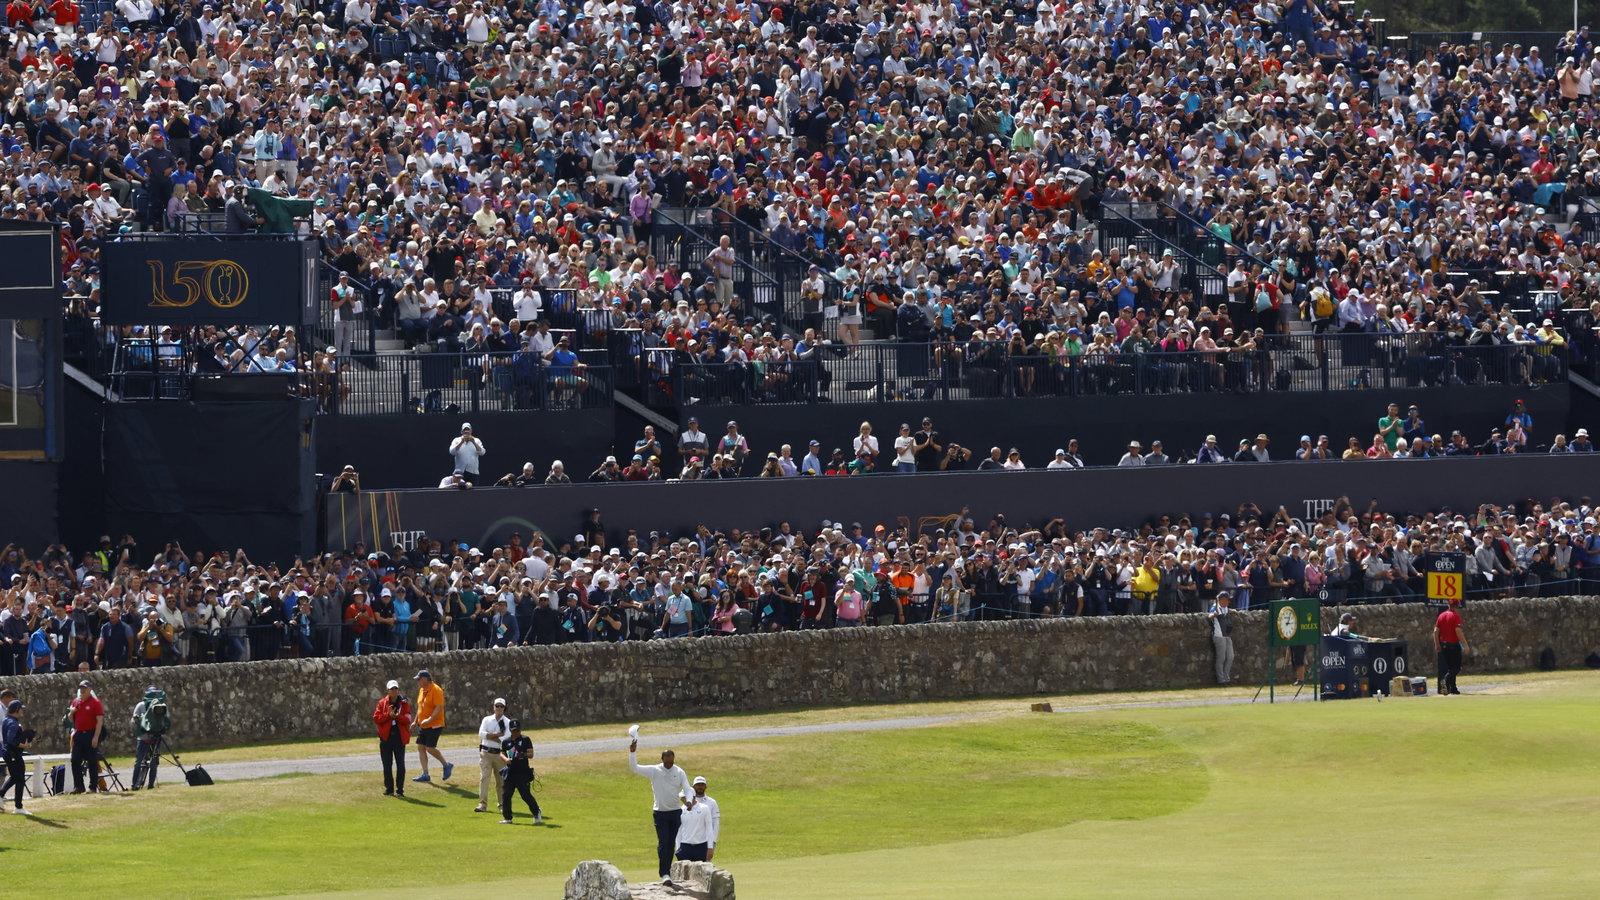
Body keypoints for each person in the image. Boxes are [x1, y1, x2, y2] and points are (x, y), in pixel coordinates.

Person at [629, 737, 693, 884]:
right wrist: (632, 753)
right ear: (662, 759)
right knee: (663, 843)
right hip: (660, 813)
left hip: (675, 812)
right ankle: (664, 873)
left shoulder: (679, 771)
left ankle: (667, 872)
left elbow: (687, 789)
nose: (669, 763)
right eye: (667, 760)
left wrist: (689, 801)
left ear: (674, 759)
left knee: (671, 844)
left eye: (671, 760)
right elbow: (635, 768)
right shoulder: (654, 770)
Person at [498, 718, 542, 825]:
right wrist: (506, 759)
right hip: (510, 772)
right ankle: (508, 817)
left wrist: (524, 755)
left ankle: (536, 811)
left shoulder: (526, 739)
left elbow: (531, 754)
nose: (515, 732)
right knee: (506, 795)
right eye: (513, 730)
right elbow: (502, 753)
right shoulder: (506, 742)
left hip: (522, 772)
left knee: (525, 795)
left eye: (517, 730)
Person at [411, 669, 452, 783]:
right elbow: (420, 708)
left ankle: (446, 765)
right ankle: (425, 774)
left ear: (425, 679)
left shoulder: (436, 690)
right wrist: (415, 721)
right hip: (423, 724)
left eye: (419, 679)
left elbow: (439, 707)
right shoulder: (421, 690)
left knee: (429, 748)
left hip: (435, 724)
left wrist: (430, 719)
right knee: (421, 747)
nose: (418, 681)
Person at [373, 678, 412, 796]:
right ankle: (389, 788)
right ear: (387, 691)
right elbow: (376, 718)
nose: (394, 691)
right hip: (386, 737)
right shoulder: (382, 703)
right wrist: (388, 715)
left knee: (400, 763)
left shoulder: (404, 704)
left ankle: (400, 789)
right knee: (387, 763)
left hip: (399, 736)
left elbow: (408, 719)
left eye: (396, 688)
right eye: (391, 689)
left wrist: (397, 716)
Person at [67, 679, 105, 793]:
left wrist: (96, 737)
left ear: (89, 689)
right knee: (75, 760)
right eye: (81, 688)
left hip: (90, 734)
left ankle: (93, 787)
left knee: (92, 761)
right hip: (79, 734)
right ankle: (79, 786)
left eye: (85, 688)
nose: (82, 690)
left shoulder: (96, 703)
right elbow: (70, 718)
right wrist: (72, 712)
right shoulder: (76, 702)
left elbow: (99, 721)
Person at [129, 685, 168, 790]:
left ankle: (149, 784)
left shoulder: (161, 706)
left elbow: (165, 720)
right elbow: (134, 719)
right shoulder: (141, 705)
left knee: (152, 762)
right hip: (144, 738)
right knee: (140, 762)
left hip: (154, 737)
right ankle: (135, 784)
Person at [476, 697, 510, 813]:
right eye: (497, 706)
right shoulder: (486, 719)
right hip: (486, 753)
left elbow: (505, 739)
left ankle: (502, 805)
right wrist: (497, 735)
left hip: (499, 754)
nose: (499, 708)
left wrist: (490, 736)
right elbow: (481, 733)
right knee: (484, 778)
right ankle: (482, 804)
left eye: (501, 706)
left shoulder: (507, 722)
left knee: (501, 781)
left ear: (504, 708)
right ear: (493, 707)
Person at [676, 775, 721, 863]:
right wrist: (678, 848)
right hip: (685, 846)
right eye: (682, 799)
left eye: (684, 798)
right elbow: (679, 830)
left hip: (702, 844)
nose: (682, 800)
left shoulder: (707, 806)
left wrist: (711, 845)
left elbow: (713, 825)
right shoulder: (681, 809)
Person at [1433, 597, 1469, 696]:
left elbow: (1436, 631)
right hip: (1453, 644)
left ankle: (1453, 688)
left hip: (1444, 645)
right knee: (1456, 668)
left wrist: (1437, 644)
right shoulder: (1456, 616)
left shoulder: (1441, 616)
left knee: (1451, 668)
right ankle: (1445, 680)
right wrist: (1465, 645)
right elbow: (1458, 631)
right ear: (1457, 606)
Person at [2, 699, 31, 815]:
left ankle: (0, 794)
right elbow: (10, 740)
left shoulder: (6, 720)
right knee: (20, 779)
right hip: (13, 754)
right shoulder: (13, 723)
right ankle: (18, 807)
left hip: (8, 753)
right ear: (17, 710)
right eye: (21, 709)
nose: (22, 711)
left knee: (15, 777)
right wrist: (23, 745)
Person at [1208, 591, 1237, 685]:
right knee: (1221, 658)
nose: (1229, 602)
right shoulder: (1215, 607)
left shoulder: (1225, 608)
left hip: (1227, 636)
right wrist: (1213, 615)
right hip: (1219, 636)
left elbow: (1228, 610)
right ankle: (1221, 680)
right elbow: (1210, 615)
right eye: (1227, 600)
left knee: (1230, 657)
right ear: (1222, 600)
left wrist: (1232, 610)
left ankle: (1226, 677)